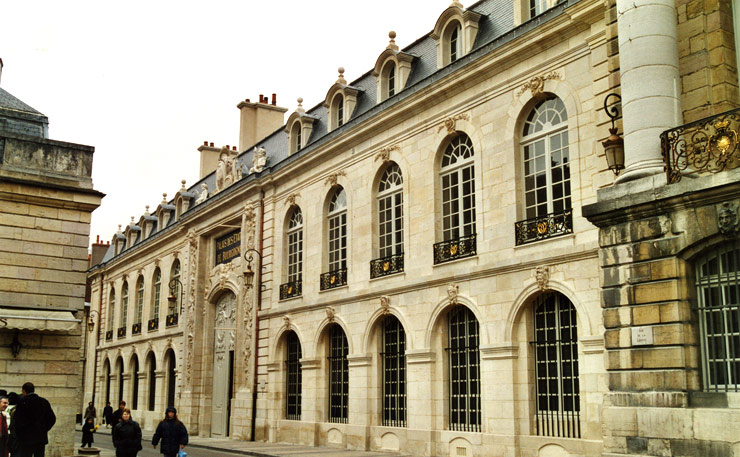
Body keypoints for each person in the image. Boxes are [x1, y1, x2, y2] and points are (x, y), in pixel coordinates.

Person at [12, 382, 56, 457]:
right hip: (41, 438)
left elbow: (17, 420)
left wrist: (19, 434)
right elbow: (52, 418)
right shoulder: (44, 401)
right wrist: (44, 429)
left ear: (23, 391)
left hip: (26, 438)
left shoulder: (23, 402)